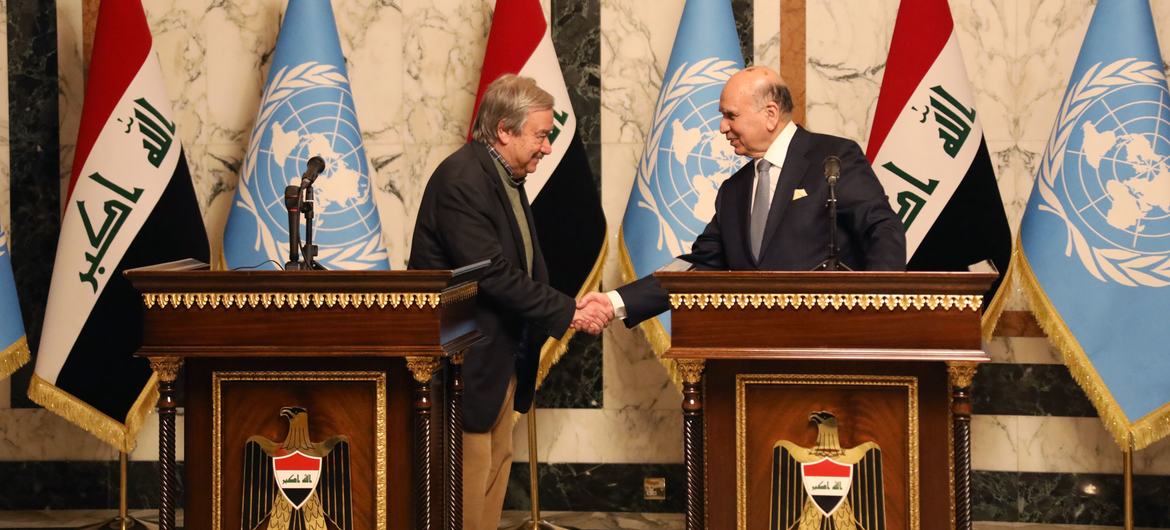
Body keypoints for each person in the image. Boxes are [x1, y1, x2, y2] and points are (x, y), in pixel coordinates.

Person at [408, 74, 606, 530]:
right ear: (504, 129)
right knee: (470, 473)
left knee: (497, 462)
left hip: (499, 356)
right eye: (540, 135)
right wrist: (570, 310)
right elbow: (490, 272)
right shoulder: (463, 178)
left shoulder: (503, 175)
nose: (546, 148)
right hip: (467, 360)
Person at [579, 66, 906, 326]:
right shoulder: (733, 191)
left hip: (830, 340)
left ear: (770, 114)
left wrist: (878, 312)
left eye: (730, 115)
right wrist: (615, 302)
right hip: (752, 349)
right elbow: (699, 266)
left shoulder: (832, 159)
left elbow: (882, 229)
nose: (722, 128)